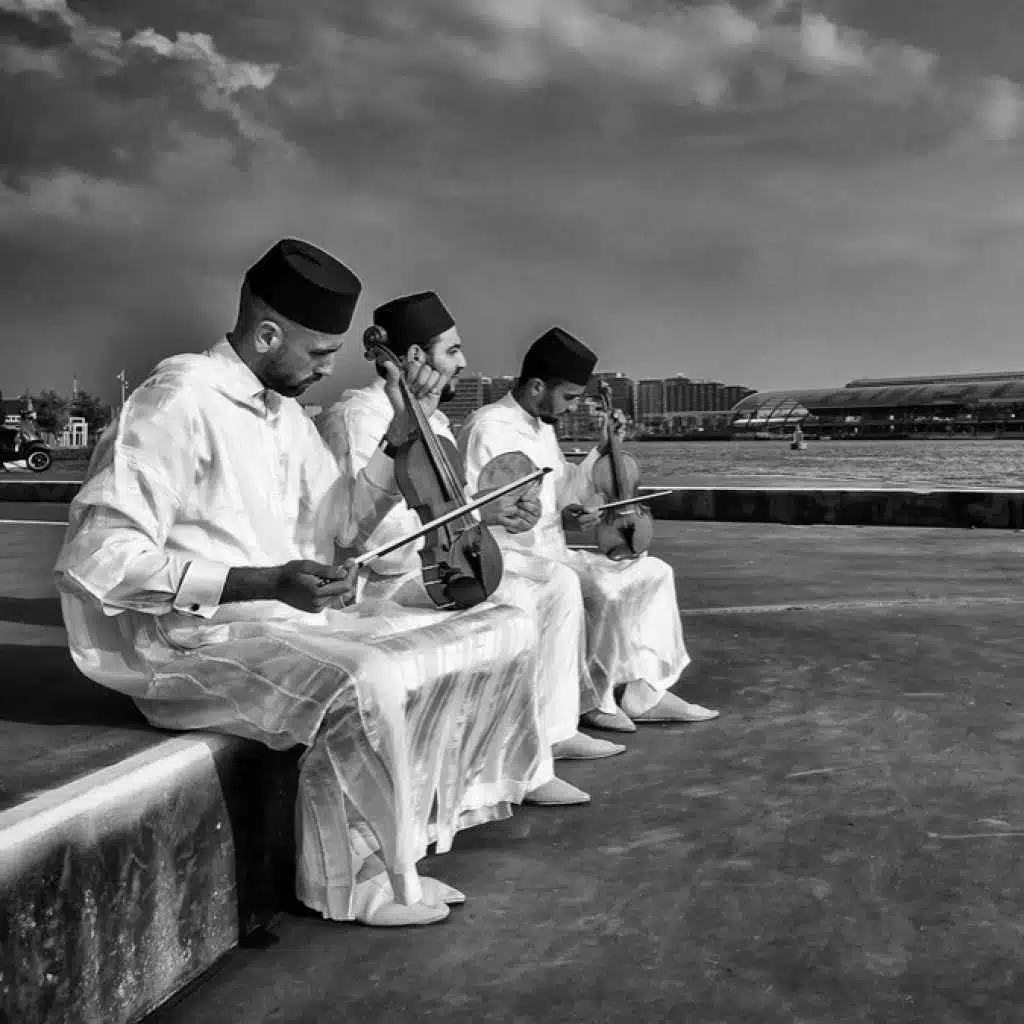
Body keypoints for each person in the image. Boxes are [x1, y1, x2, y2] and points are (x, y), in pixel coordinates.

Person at [53, 239, 548, 929]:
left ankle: (405, 850)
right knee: (367, 676)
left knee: (486, 628)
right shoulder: (176, 400)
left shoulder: (288, 417)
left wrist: (397, 444)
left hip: (284, 629)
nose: (326, 369)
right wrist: (262, 582)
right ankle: (352, 885)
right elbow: (99, 557)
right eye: (318, 354)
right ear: (266, 334)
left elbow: (341, 525)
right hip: (191, 645)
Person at [316, 292, 625, 809]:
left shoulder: (434, 421)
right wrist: (481, 513)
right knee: (518, 599)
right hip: (385, 582)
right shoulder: (359, 418)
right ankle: (513, 764)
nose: (463, 362)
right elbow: (371, 538)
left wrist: (485, 509)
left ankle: (548, 734)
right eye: (452, 350)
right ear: (414, 358)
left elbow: (451, 506)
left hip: (429, 563)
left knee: (553, 584)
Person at [458, 326, 720, 732]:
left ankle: (644, 693)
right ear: (536, 386)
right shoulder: (488, 427)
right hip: (514, 558)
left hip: (554, 549)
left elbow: (564, 489)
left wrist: (599, 455)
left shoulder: (542, 426)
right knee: (600, 587)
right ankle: (587, 701)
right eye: (567, 398)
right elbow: (476, 510)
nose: (569, 408)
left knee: (653, 571)